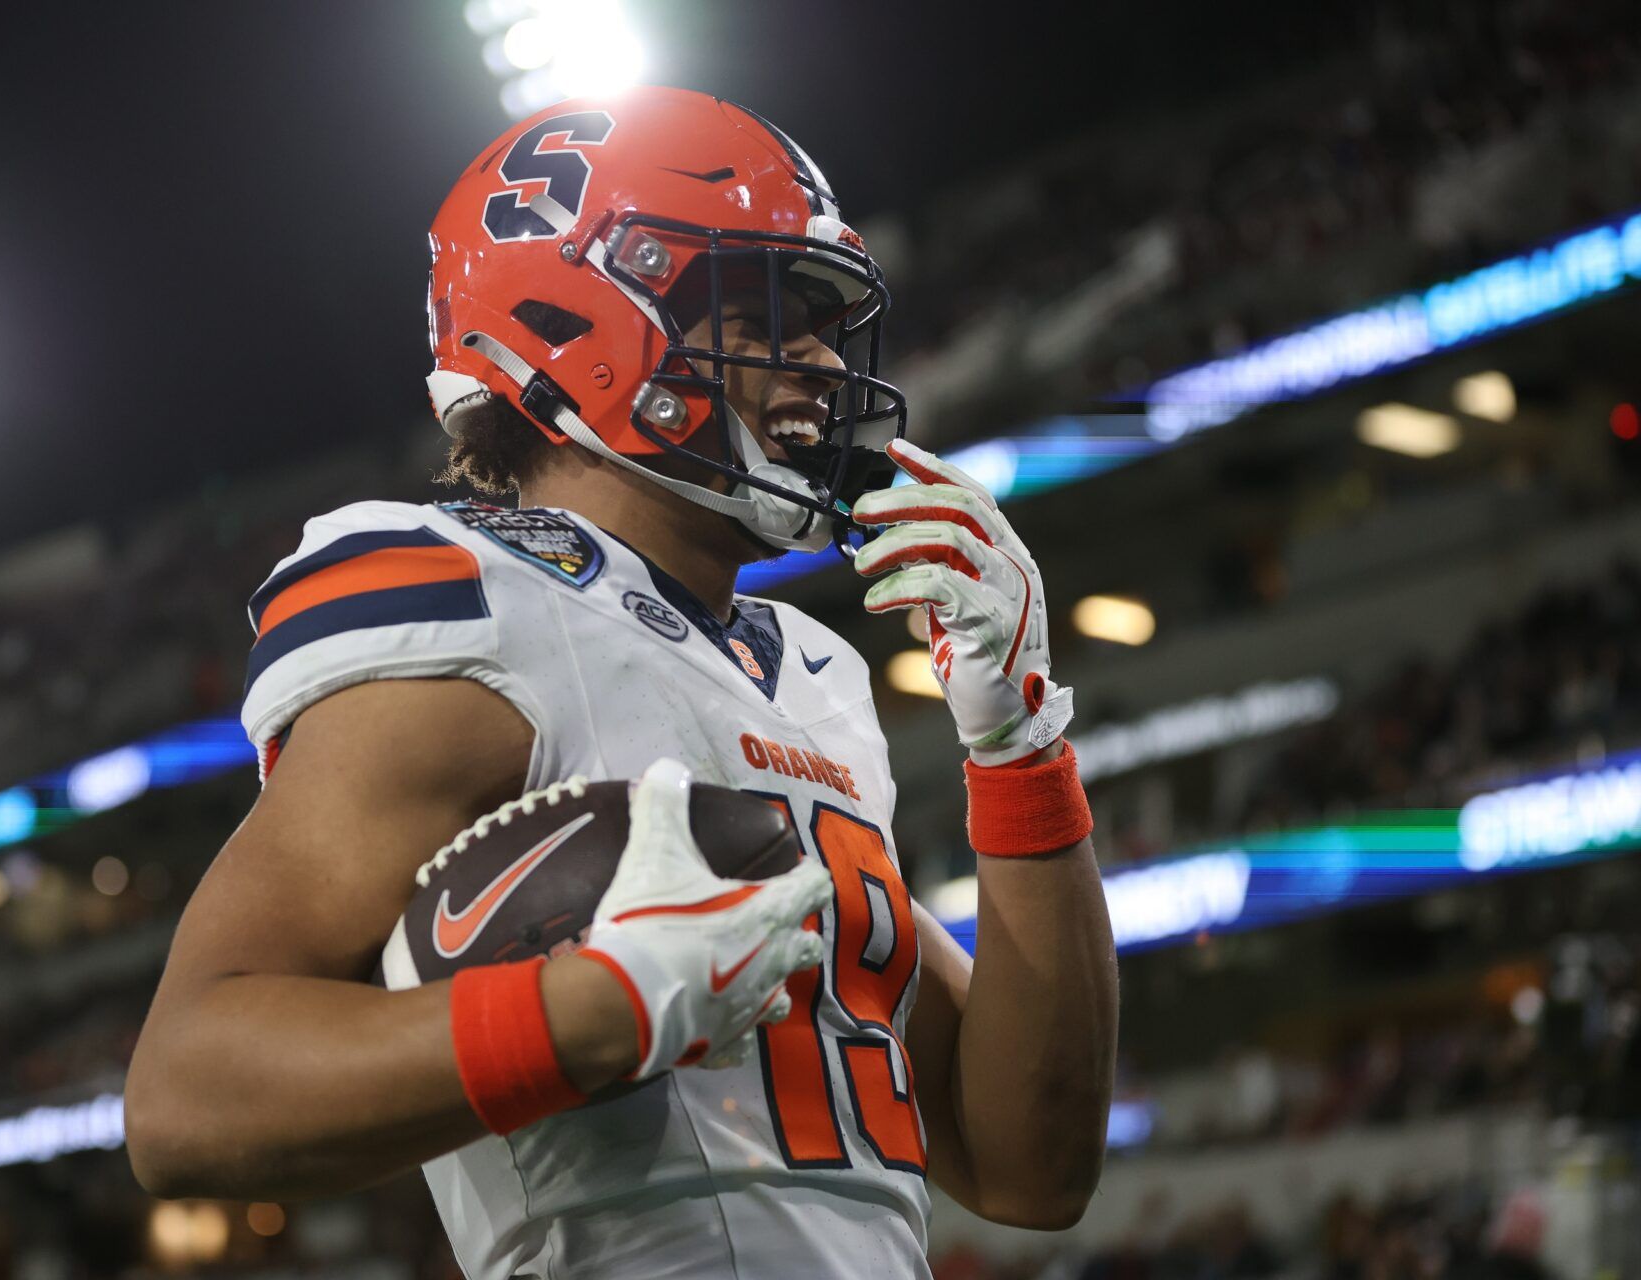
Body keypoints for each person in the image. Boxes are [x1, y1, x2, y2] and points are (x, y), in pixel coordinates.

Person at [125, 86, 1117, 1279]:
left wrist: (1019, 747)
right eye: (762, 312)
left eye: (818, 323)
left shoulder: (811, 672)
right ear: (586, 317)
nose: (815, 363)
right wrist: (588, 1012)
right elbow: (184, 1094)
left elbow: (1032, 1165)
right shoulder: (477, 597)